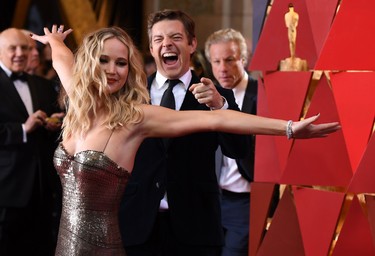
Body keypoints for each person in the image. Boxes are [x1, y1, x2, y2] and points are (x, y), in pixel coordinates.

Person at [31, 24, 340, 256]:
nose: (112, 70)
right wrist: (55, 41)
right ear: (88, 64)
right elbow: (62, 60)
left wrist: (288, 128)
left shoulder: (135, 117)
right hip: (65, 245)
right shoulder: (79, 99)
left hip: (105, 247)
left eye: (121, 63)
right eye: (103, 60)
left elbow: (217, 119)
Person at [120, 9, 249, 256]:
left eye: (176, 37)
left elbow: (239, 150)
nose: (166, 43)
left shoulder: (217, 95)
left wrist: (219, 106)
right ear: (151, 47)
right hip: (138, 225)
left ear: (192, 44)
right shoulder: (131, 95)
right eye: (158, 39)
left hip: (197, 227)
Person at [0, 28, 64, 256]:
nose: (20, 53)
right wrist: (22, 129)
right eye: (13, 48)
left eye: (25, 47)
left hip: (43, 187)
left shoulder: (43, 85)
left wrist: (55, 122)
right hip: (7, 189)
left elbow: (58, 115)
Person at [205, 27, 262, 256]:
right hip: (213, 199)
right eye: (216, 61)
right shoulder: (208, 96)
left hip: (247, 199)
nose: (222, 68)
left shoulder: (261, 94)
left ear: (243, 59)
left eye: (229, 60)